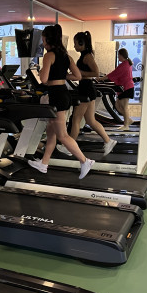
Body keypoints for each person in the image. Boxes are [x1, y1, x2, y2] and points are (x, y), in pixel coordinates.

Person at [28, 24, 95, 180]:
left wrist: (42, 72)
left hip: (56, 96)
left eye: (43, 40)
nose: (42, 43)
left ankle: (85, 161)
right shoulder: (66, 56)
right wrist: (61, 76)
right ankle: (44, 163)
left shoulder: (49, 56)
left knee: (63, 135)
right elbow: (78, 76)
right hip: (63, 93)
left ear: (48, 40)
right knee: (51, 131)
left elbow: (43, 79)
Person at [57, 31, 117, 157]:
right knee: (90, 120)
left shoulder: (87, 56)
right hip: (87, 88)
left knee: (76, 119)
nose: (74, 46)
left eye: (75, 44)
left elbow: (96, 73)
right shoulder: (85, 55)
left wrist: (78, 72)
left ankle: (69, 148)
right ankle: (108, 141)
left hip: (86, 89)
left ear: (81, 43)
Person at [99, 48, 134, 131]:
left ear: (122, 55)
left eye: (118, 55)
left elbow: (113, 74)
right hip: (125, 87)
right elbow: (115, 74)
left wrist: (100, 79)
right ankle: (128, 120)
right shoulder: (126, 63)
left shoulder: (124, 65)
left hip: (127, 88)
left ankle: (126, 125)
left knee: (124, 107)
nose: (118, 57)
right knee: (117, 106)